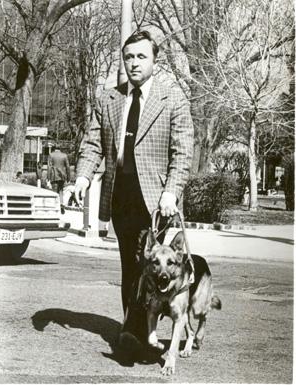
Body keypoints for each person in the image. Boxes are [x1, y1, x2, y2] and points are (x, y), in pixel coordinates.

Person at [74, 30, 194, 354]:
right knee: (131, 267)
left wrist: (171, 192)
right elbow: (91, 145)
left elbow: (183, 153)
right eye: (129, 57)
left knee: (151, 266)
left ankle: (133, 334)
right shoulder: (109, 98)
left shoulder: (173, 97)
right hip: (121, 196)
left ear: (155, 60)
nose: (134, 63)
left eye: (141, 56)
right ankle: (137, 328)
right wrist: (82, 180)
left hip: (157, 201)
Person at [47, 144, 70, 214]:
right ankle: (61, 204)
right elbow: (68, 167)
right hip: (62, 176)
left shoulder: (51, 155)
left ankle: (55, 207)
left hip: (54, 175)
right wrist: (68, 177)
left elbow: (49, 167)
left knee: (54, 191)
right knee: (61, 190)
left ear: (54, 148)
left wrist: (48, 177)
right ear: (60, 149)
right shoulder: (64, 155)